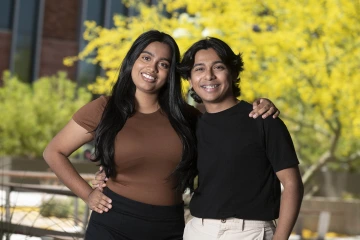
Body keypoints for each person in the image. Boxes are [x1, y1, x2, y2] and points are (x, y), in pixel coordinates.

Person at [43, 30, 278, 240]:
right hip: (112, 223)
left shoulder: (189, 117)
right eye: (146, 58)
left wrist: (262, 105)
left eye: (163, 64)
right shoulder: (104, 108)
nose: (152, 69)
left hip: (168, 227)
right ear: (132, 61)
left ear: (171, 73)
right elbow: (54, 152)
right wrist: (87, 194)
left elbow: (228, 133)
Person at [177, 37, 304, 240]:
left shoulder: (263, 119)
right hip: (198, 230)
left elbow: (292, 184)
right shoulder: (191, 124)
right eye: (199, 69)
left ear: (233, 72)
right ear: (190, 79)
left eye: (218, 67)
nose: (208, 76)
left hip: (249, 232)